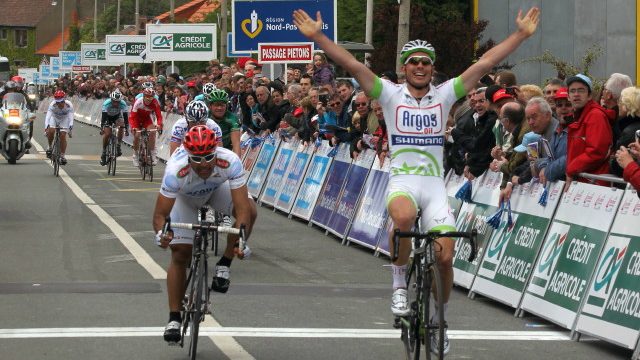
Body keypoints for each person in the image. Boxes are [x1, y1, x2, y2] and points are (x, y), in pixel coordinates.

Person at [293, 5, 539, 356]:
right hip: (404, 180)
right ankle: (397, 284)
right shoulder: (390, 94)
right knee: (404, 218)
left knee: (444, 258)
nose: (420, 67)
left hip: (435, 186)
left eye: (426, 62)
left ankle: (439, 318)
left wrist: (520, 35)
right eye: (414, 62)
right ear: (404, 68)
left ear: (432, 68)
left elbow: (484, 65)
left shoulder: (446, 95)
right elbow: (353, 65)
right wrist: (318, 37)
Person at [152, 125, 257, 344]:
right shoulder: (175, 171)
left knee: (251, 209)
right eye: (197, 159)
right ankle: (174, 318)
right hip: (184, 198)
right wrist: (162, 234)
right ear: (188, 156)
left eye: (209, 157)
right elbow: (160, 215)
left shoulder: (229, 161)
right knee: (180, 253)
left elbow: (242, 208)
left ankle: (224, 264)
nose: (204, 164)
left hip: (215, 191)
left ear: (216, 151)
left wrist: (241, 238)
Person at [565, 74, 614, 186]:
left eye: (581, 90)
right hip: (583, 182)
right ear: (568, 96)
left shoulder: (595, 116)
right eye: (572, 91)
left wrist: (571, 169)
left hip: (594, 185)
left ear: (589, 95)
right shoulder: (577, 116)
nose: (576, 94)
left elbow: (596, 152)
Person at [129, 87, 163, 166]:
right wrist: (133, 127)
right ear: (143, 96)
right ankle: (135, 155)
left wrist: (159, 124)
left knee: (153, 132)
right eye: (147, 97)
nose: (149, 99)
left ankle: (152, 153)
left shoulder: (155, 102)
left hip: (146, 119)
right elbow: (132, 117)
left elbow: (159, 116)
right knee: (137, 135)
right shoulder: (138, 102)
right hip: (136, 119)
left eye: (151, 97)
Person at [207, 89, 242, 158]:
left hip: (226, 150)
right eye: (216, 105)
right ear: (210, 106)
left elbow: (236, 144)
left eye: (222, 105)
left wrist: (237, 163)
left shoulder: (232, 118)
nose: (219, 108)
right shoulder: (205, 117)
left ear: (226, 106)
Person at [99, 90, 130, 165]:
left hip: (117, 117)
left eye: (118, 102)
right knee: (107, 134)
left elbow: (126, 117)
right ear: (111, 100)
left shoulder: (123, 103)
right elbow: (103, 117)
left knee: (122, 125)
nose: (116, 103)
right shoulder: (107, 103)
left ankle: (118, 145)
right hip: (107, 117)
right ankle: (104, 152)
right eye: (114, 101)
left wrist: (126, 128)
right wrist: (102, 127)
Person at [44, 90, 74, 165]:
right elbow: (48, 117)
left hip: (64, 119)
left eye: (60, 102)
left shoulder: (69, 105)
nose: (59, 104)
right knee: (51, 131)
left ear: (64, 100)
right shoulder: (52, 105)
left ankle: (62, 156)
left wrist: (70, 127)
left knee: (63, 135)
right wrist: (46, 127)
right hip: (54, 118)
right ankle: (50, 146)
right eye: (57, 102)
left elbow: (71, 117)